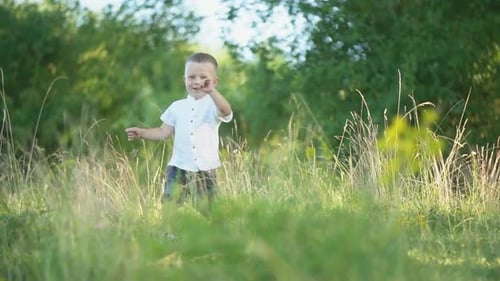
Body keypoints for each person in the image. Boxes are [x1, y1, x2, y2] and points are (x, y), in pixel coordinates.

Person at [125, 52, 233, 205]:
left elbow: (225, 111)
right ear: (184, 80)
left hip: (205, 169)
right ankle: (170, 229)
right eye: (191, 77)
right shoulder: (177, 107)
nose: (197, 82)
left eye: (204, 78)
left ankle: (216, 228)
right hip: (178, 167)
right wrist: (142, 133)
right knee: (170, 205)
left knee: (209, 209)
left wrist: (212, 92)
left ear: (214, 82)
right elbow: (163, 132)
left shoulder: (213, 105)